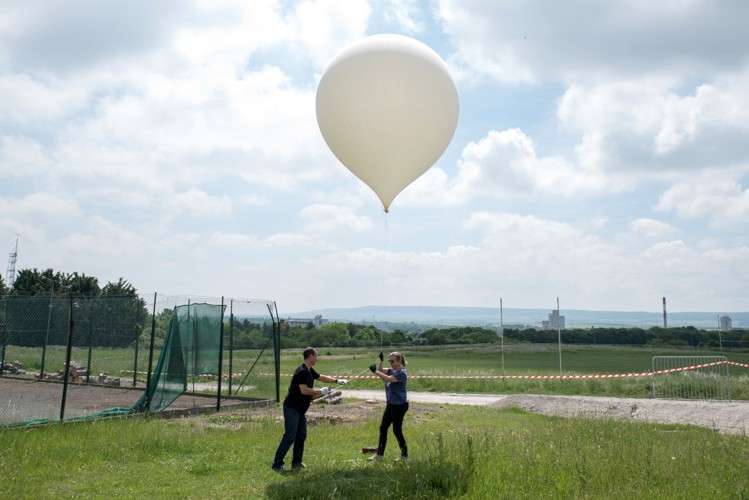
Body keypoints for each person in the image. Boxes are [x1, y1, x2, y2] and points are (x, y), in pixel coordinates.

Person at [272, 347, 347, 472]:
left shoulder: (309, 370)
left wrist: (337, 380)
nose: (317, 358)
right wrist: (320, 391)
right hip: (292, 408)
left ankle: (297, 462)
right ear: (311, 356)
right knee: (290, 436)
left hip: (300, 410)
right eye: (316, 356)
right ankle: (277, 465)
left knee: (301, 435)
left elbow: (321, 377)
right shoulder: (301, 371)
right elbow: (304, 390)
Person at [367, 351, 409, 463]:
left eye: (392, 361)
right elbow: (382, 371)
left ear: (400, 361)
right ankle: (379, 455)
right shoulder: (392, 370)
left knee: (396, 430)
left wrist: (375, 371)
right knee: (383, 428)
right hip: (391, 404)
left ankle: (404, 456)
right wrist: (380, 360)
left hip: (400, 406)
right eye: (389, 361)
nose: (390, 363)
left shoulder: (402, 373)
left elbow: (389, 379)